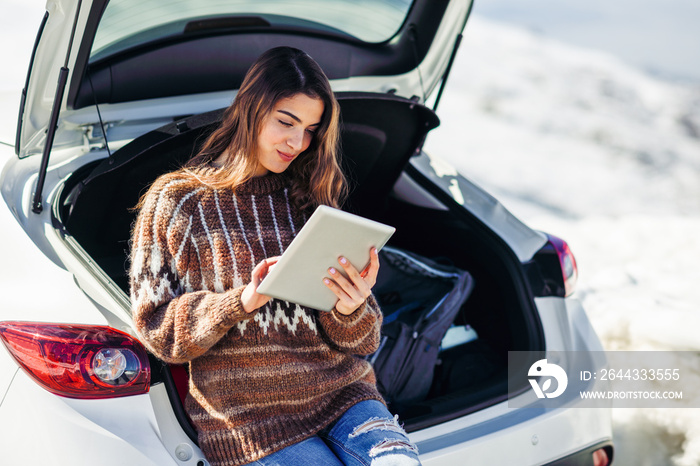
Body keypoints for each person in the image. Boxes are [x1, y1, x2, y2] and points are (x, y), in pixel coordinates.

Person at [129, 47, 421, 466]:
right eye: (286, 122)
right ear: (250, 109)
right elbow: (158, 331)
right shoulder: (178, 202)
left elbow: (365, 341)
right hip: (249, 421)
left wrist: (351, 307)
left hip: (343, 395)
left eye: (310, 130)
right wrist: (242, 301)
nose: (298, 143)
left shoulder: (311, 199)